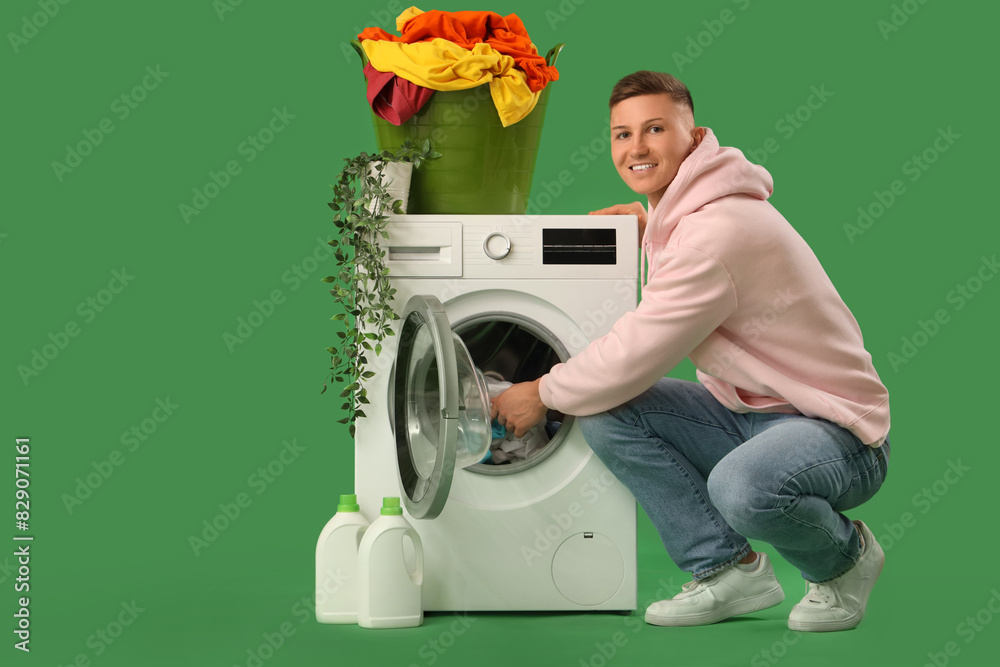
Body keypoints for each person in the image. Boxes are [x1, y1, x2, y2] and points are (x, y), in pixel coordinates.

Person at [490, 71, 890, 632]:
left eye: (655, 129)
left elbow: (640, 349)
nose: (636, 148)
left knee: (741, 488)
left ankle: (844, 560)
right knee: (605, 410)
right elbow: (695, 264)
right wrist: (652, 226)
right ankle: (727, 571)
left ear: (694, 134)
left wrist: (540, 390)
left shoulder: (713, 232)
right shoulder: (693, 217)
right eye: (621, 134)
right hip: (748, 417)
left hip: (837, 434)